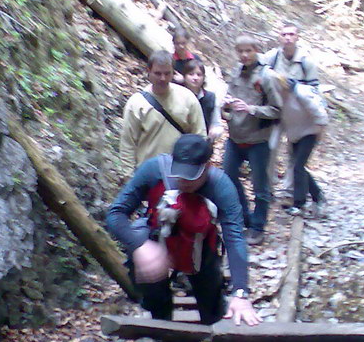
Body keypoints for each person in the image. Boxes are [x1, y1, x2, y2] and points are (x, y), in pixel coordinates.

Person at [106, 134, 260, 326]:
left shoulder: (221, 186)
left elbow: (234, 236)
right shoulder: (153, 170)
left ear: (207, 166)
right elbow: (115, 213)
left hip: (200, 247)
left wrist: (241, 292)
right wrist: (139, 246)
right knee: (156, 301)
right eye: (179, 173)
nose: (184, 181)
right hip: (157, 242)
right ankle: (162, 338)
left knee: (211, 305)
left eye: (191, 176)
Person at [221, 35, 282, 246]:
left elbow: (277, 110)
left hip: (258, 140)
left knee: (261, 186)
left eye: (248, 50)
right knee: (228, 177)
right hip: (235, 137)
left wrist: (252, 109)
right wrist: (226, 106)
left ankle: (258, 228)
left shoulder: (267, 76)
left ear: (256, 50)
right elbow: (229, 99)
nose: (245, 55)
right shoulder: (236, 72)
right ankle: (245, 218)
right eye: (240, 51)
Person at [119, 49, 206, 175]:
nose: (163, 78)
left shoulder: (187, 98)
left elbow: (200, 135)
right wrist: (127, 175)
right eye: (158, 73)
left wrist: (196, 169)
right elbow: (128, 142)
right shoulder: (136, 103)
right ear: (149, 72)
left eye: (167, 73)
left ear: (173, 73)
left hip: (180, 173)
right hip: (147, 174)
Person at [261, 23, 321, 196]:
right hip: (277, 113)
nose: (288, 37)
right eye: (284, 34)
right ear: (279, 37)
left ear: (297, 37)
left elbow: (314, 90)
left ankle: (289, 190)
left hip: (299, 115)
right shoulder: (271, 57)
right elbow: (257, 70)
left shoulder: (305, 61)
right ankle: (269, 188)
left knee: (293, 153)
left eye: (291, 34)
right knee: (270, 148)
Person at [272, 74, 328, 216]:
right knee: (299, 167)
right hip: (295, 135)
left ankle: (299, 204)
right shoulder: (277, 99)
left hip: (310, 132)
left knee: (298, 167)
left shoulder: (300, 93)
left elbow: (320, 114)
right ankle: (318, 196)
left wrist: (320, 134)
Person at [182, 59, 225, 142]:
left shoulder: (210, 97)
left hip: (203, 143)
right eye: (191, 74)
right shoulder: (178, 95)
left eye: (199, 75)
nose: (195, 78)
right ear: (184, 76)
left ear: (204, 77)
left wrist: (215, 131)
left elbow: (216, 122)